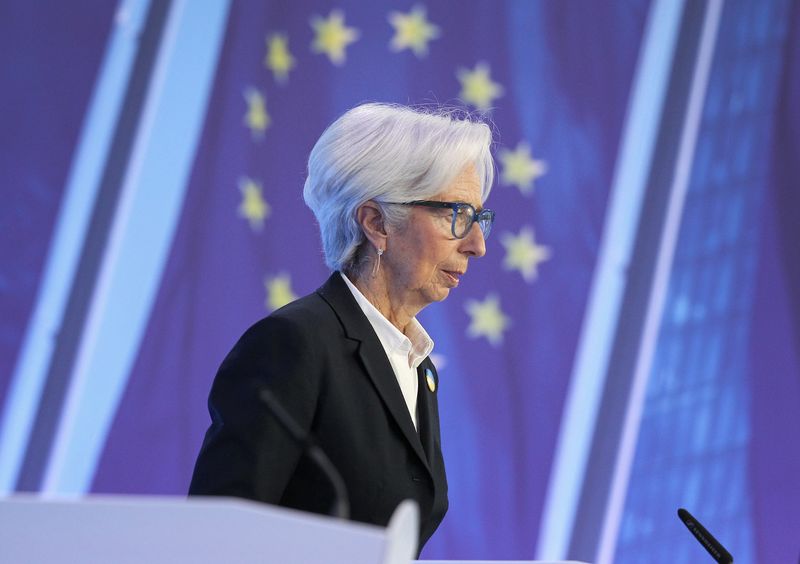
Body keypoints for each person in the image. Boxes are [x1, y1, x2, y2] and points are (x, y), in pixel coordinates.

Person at [188, 102, 496, 552]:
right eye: (457, 215)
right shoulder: (294, 344)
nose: (477, 244)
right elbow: (216, 539)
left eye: (478, 218)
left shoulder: (416, 366)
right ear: (376, 223)